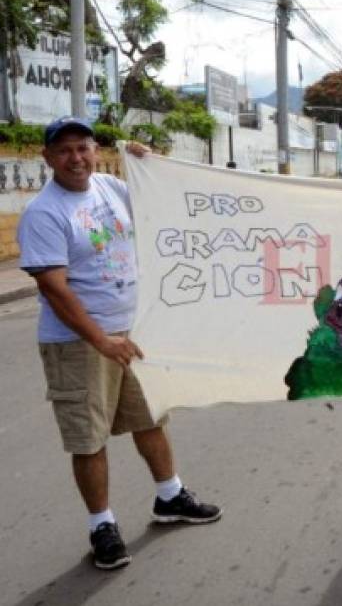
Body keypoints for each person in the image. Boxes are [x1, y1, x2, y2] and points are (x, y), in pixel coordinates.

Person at [16, 117, 221, 571]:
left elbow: (163, 203)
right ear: (47, 158)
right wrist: (102, 341)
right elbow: (55, 288)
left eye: (83, 148)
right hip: (78, 343)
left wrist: (153, 164)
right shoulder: (44, 213)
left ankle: (170, 496)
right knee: (89, 439)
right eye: (64, 150)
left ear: (95, 151)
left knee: (150, 418)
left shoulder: (110, 187)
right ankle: (101, 525)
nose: (76, 158)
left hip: (130, 333)